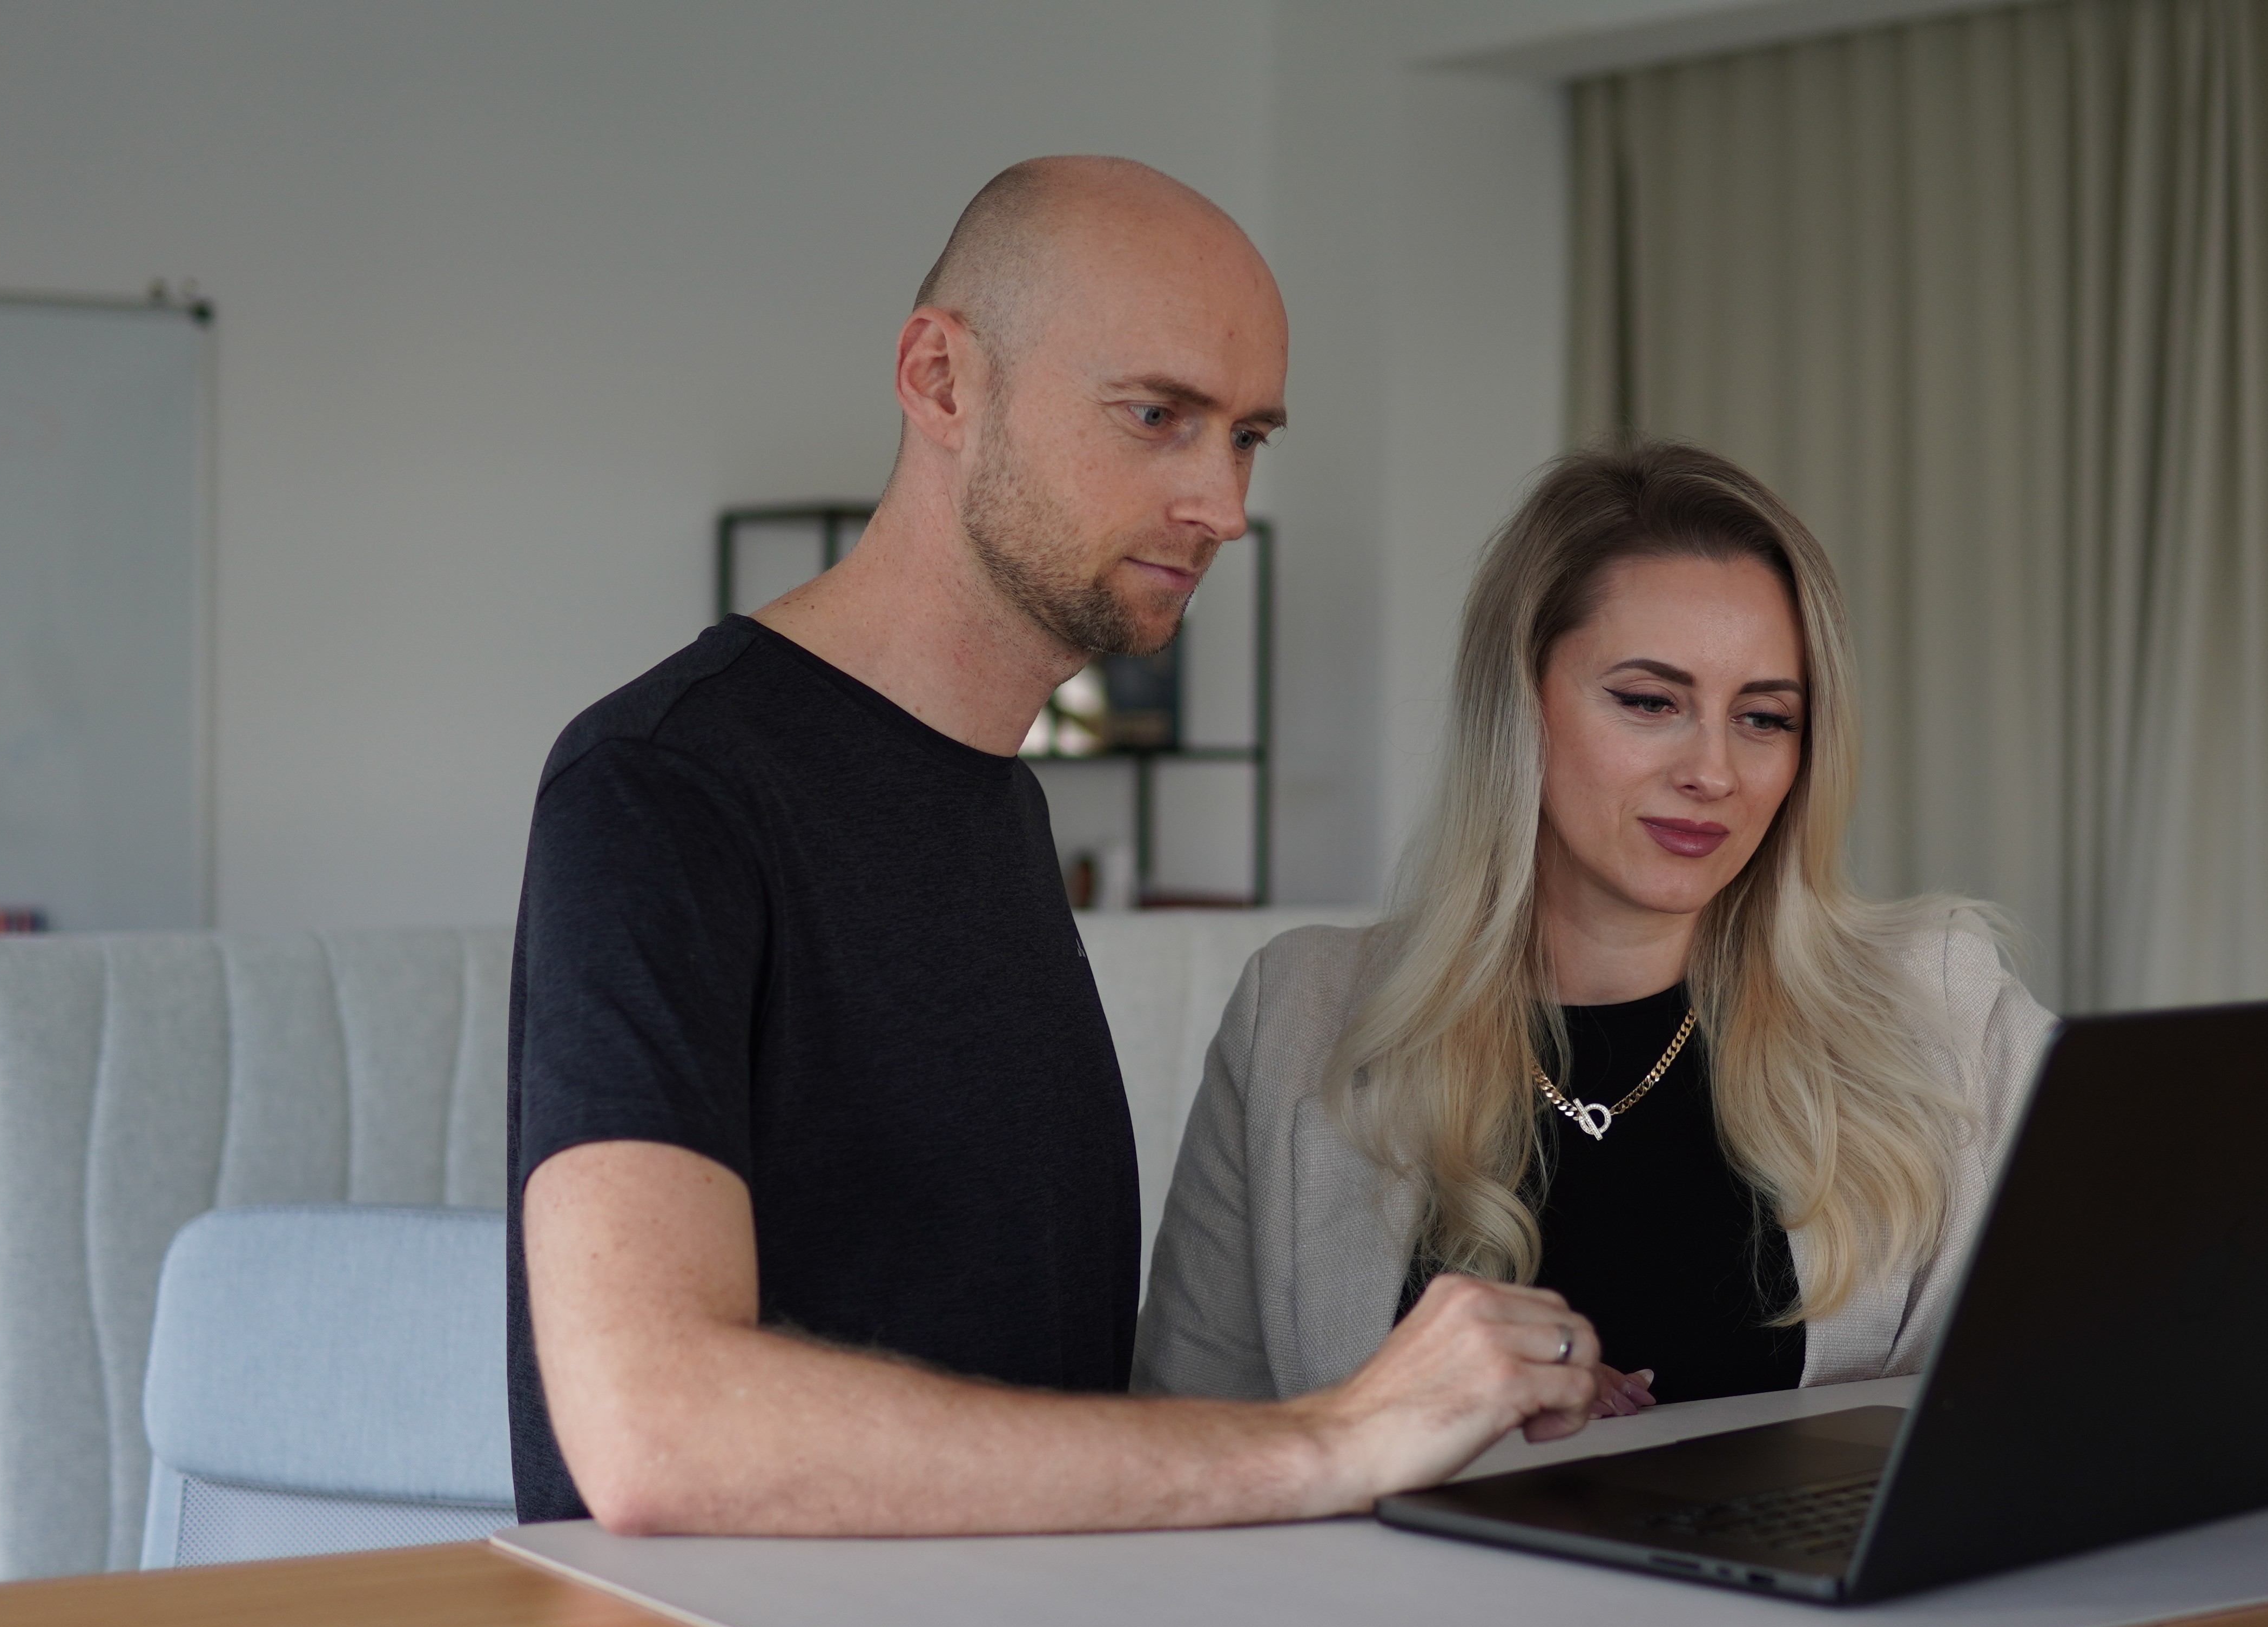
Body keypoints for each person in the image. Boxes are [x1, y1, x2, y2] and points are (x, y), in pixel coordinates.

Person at [508, 156, 1611, 1539]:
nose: (1223, 502)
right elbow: (650, 1428)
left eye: (1249, 437)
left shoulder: (993, 800)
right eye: (1159, 415)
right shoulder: (663, 785)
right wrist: (1319, 1441)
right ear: (941, 379)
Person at [1136, 442, 2062, 1406]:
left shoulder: (1941, 1000)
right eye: (1651, 702)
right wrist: (1428, 1443)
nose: (1713, 772)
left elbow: (2108, 1354)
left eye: (1764, 718)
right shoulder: (1297, 1012)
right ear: (1519, 705)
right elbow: (1190, 1436)